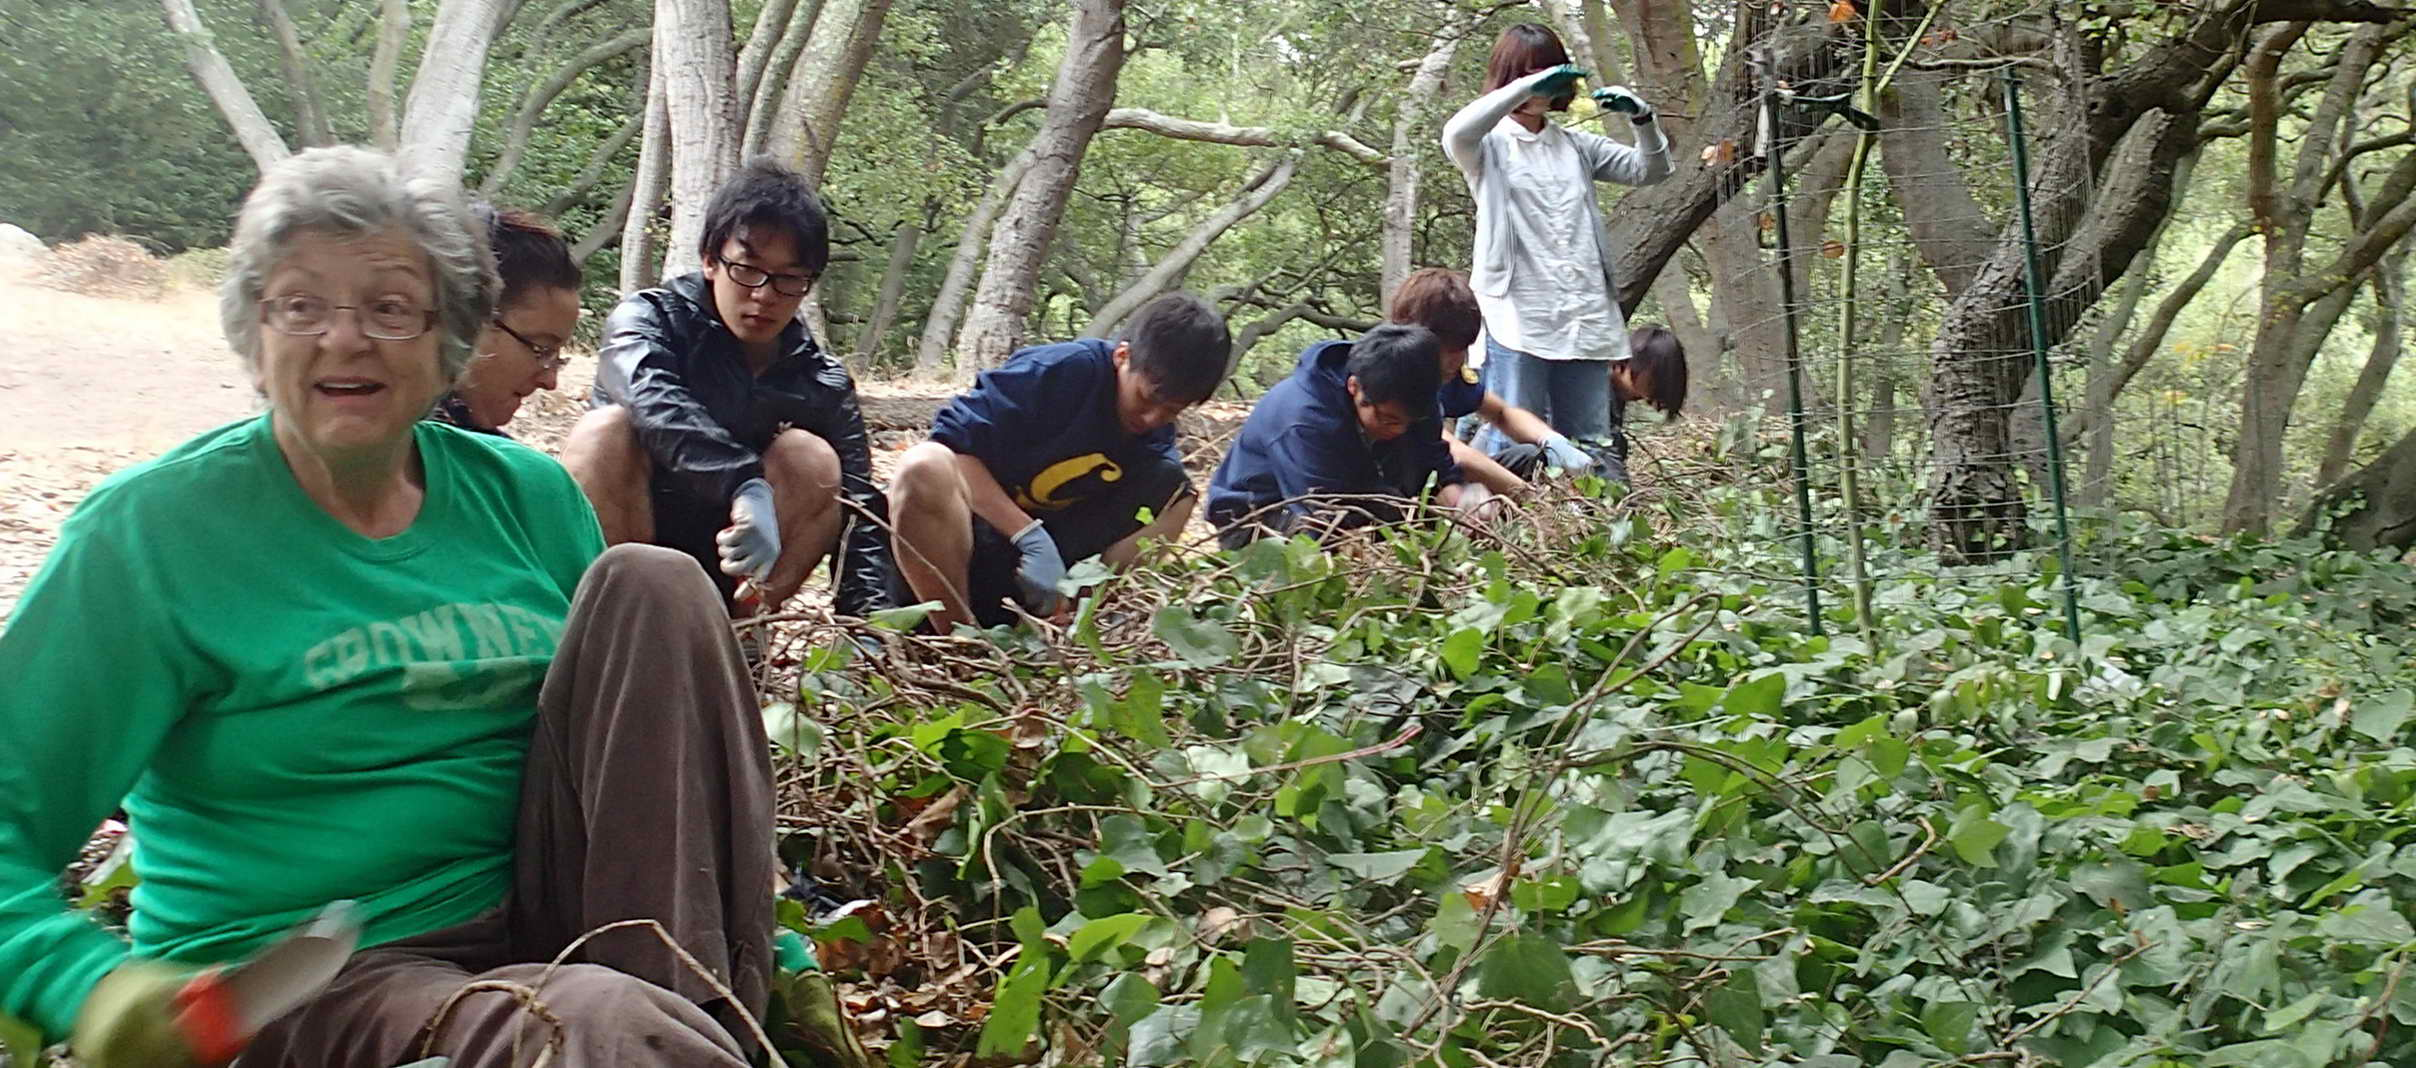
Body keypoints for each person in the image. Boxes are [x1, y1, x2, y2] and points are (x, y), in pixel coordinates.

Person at [0, 147, 773, 1066]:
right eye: (301, 305)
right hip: (315, 981)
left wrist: (768, 935)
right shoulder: (151, 537)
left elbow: (650, 777)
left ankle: (704, 1010)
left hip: (554, 920)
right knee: (595, 1027)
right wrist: (86, 985)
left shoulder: (526, 496)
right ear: (254, 332)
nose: (345, 339)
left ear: (452, 339)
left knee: (654, 583)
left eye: (390, 308)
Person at [561, 158, 889, 617]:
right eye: (747, 269)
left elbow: (860, 512)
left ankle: (738, 643)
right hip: (634, 533)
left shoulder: (821, 378)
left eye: (789, 279)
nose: (764, 295)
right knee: (604, 432)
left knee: (810, 458)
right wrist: (743, 483)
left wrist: (868, 631)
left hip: (735, 568)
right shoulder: (649, 321)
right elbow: (653, 400)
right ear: (711, 260)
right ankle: (616, 630)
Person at [888, 293, 1230, 632]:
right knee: (924, 465)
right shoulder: (1058, 371)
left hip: (1034, 583)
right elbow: (955, 449)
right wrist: (1027, 534)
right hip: (961, 550)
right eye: (1147, 398)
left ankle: (1065, 625)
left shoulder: (1153, 439)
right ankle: (959, 640)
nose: (1153, 417)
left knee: (1178, 495)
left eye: (1172, 411)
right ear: (1122, 356)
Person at [1443, 22, 1673, 483]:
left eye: (1548, 74)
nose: (1539, 86)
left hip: (1583, 315)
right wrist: (1524, 87)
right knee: (1516, 432)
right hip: (1518, 315)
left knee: (1590, 438)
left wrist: (1642, 120)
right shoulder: (1487, 146)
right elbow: (1456, 133)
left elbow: (1653, 169)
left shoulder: (1573, 146)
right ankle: (1508, 528)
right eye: (1525, 74)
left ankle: (1596, 530)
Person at [1207, 323, 1488, 546]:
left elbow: (1435, 468)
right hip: (1260, 519)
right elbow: (1319, 520)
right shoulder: (1304, 421)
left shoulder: (1420, 402)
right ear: (1354, 388)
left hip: (1358, 496)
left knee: (1398, 509)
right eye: (1388, 420)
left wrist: (1462, 506)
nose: (1399, 430)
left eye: (1408, 422)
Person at [1388, 266, 1598, 495]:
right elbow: (1452, 451)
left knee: (1531, 457)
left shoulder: (1449, 376)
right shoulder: (1393, 374)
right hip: (1404, 485)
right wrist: (1528, 495)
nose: (1455, 361)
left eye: (1462, 349)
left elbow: (1501, 412)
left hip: (1443, 477)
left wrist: (1552, 441)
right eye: (1447, 350)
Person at [429, 204, 583, 436]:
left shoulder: (497, 462)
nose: (550, 381)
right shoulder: (393, 449)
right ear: (466, 318)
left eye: (557, 357)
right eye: (542, 349)